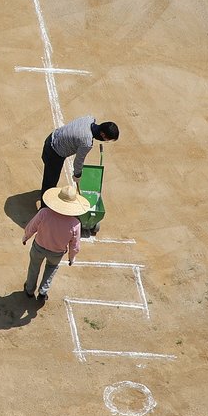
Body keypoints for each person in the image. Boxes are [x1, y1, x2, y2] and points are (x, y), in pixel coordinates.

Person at [22, 175, 91, 309]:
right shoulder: (75, 224)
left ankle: (29, 290)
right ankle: (43, 291)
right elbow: (75, 245)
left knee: (34, 267)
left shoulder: (44, 213)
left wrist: (26, 237)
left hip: (39, 247)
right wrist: (72, 258)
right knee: (51, 269)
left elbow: (32, 227)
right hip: (56, 253)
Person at [41, 116, 119, 192]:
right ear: (103, 134)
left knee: (49, 176)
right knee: (50, 182)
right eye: (107, 139)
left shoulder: (89, 119)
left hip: (51, 138)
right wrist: (77, 175)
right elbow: (78, 161)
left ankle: (46, 193)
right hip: (54, 153)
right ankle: (45, 204)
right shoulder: (87, 142)